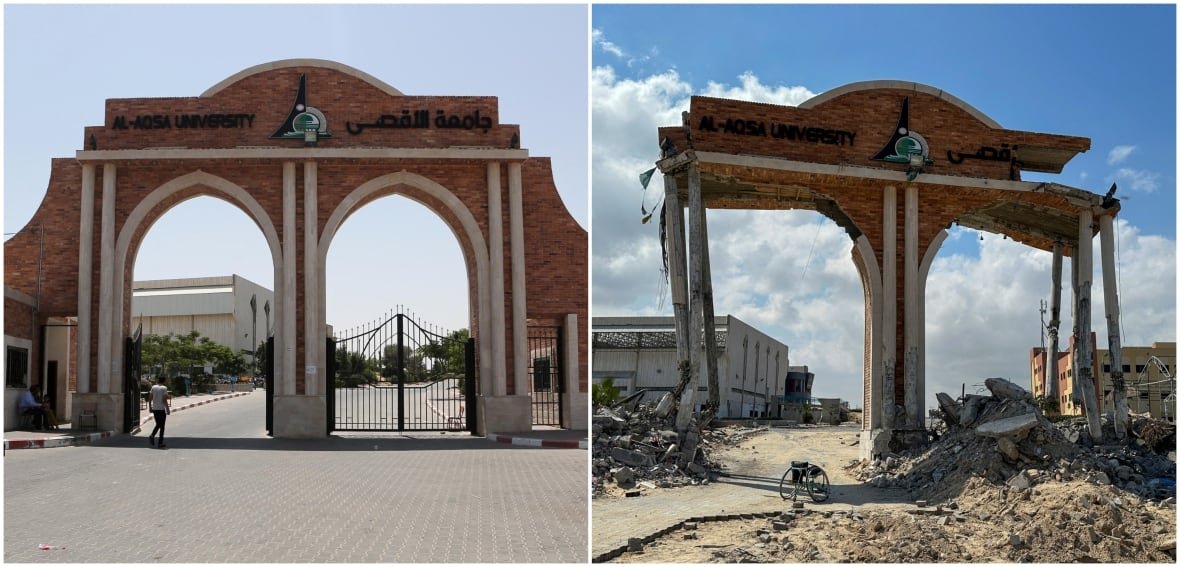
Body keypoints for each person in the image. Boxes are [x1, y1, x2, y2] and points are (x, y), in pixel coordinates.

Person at [147, 376, 171, 449]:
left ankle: (153, 436)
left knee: (158, 424)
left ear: (158, 380)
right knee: (162, 426)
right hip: (161, 409)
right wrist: (167, 409)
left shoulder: (153, 387)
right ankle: (158, 441)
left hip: (155, 409)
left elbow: (150, 397)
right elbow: (164, 399)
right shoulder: (164, 388)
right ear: (164, 381)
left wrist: (150, 407)